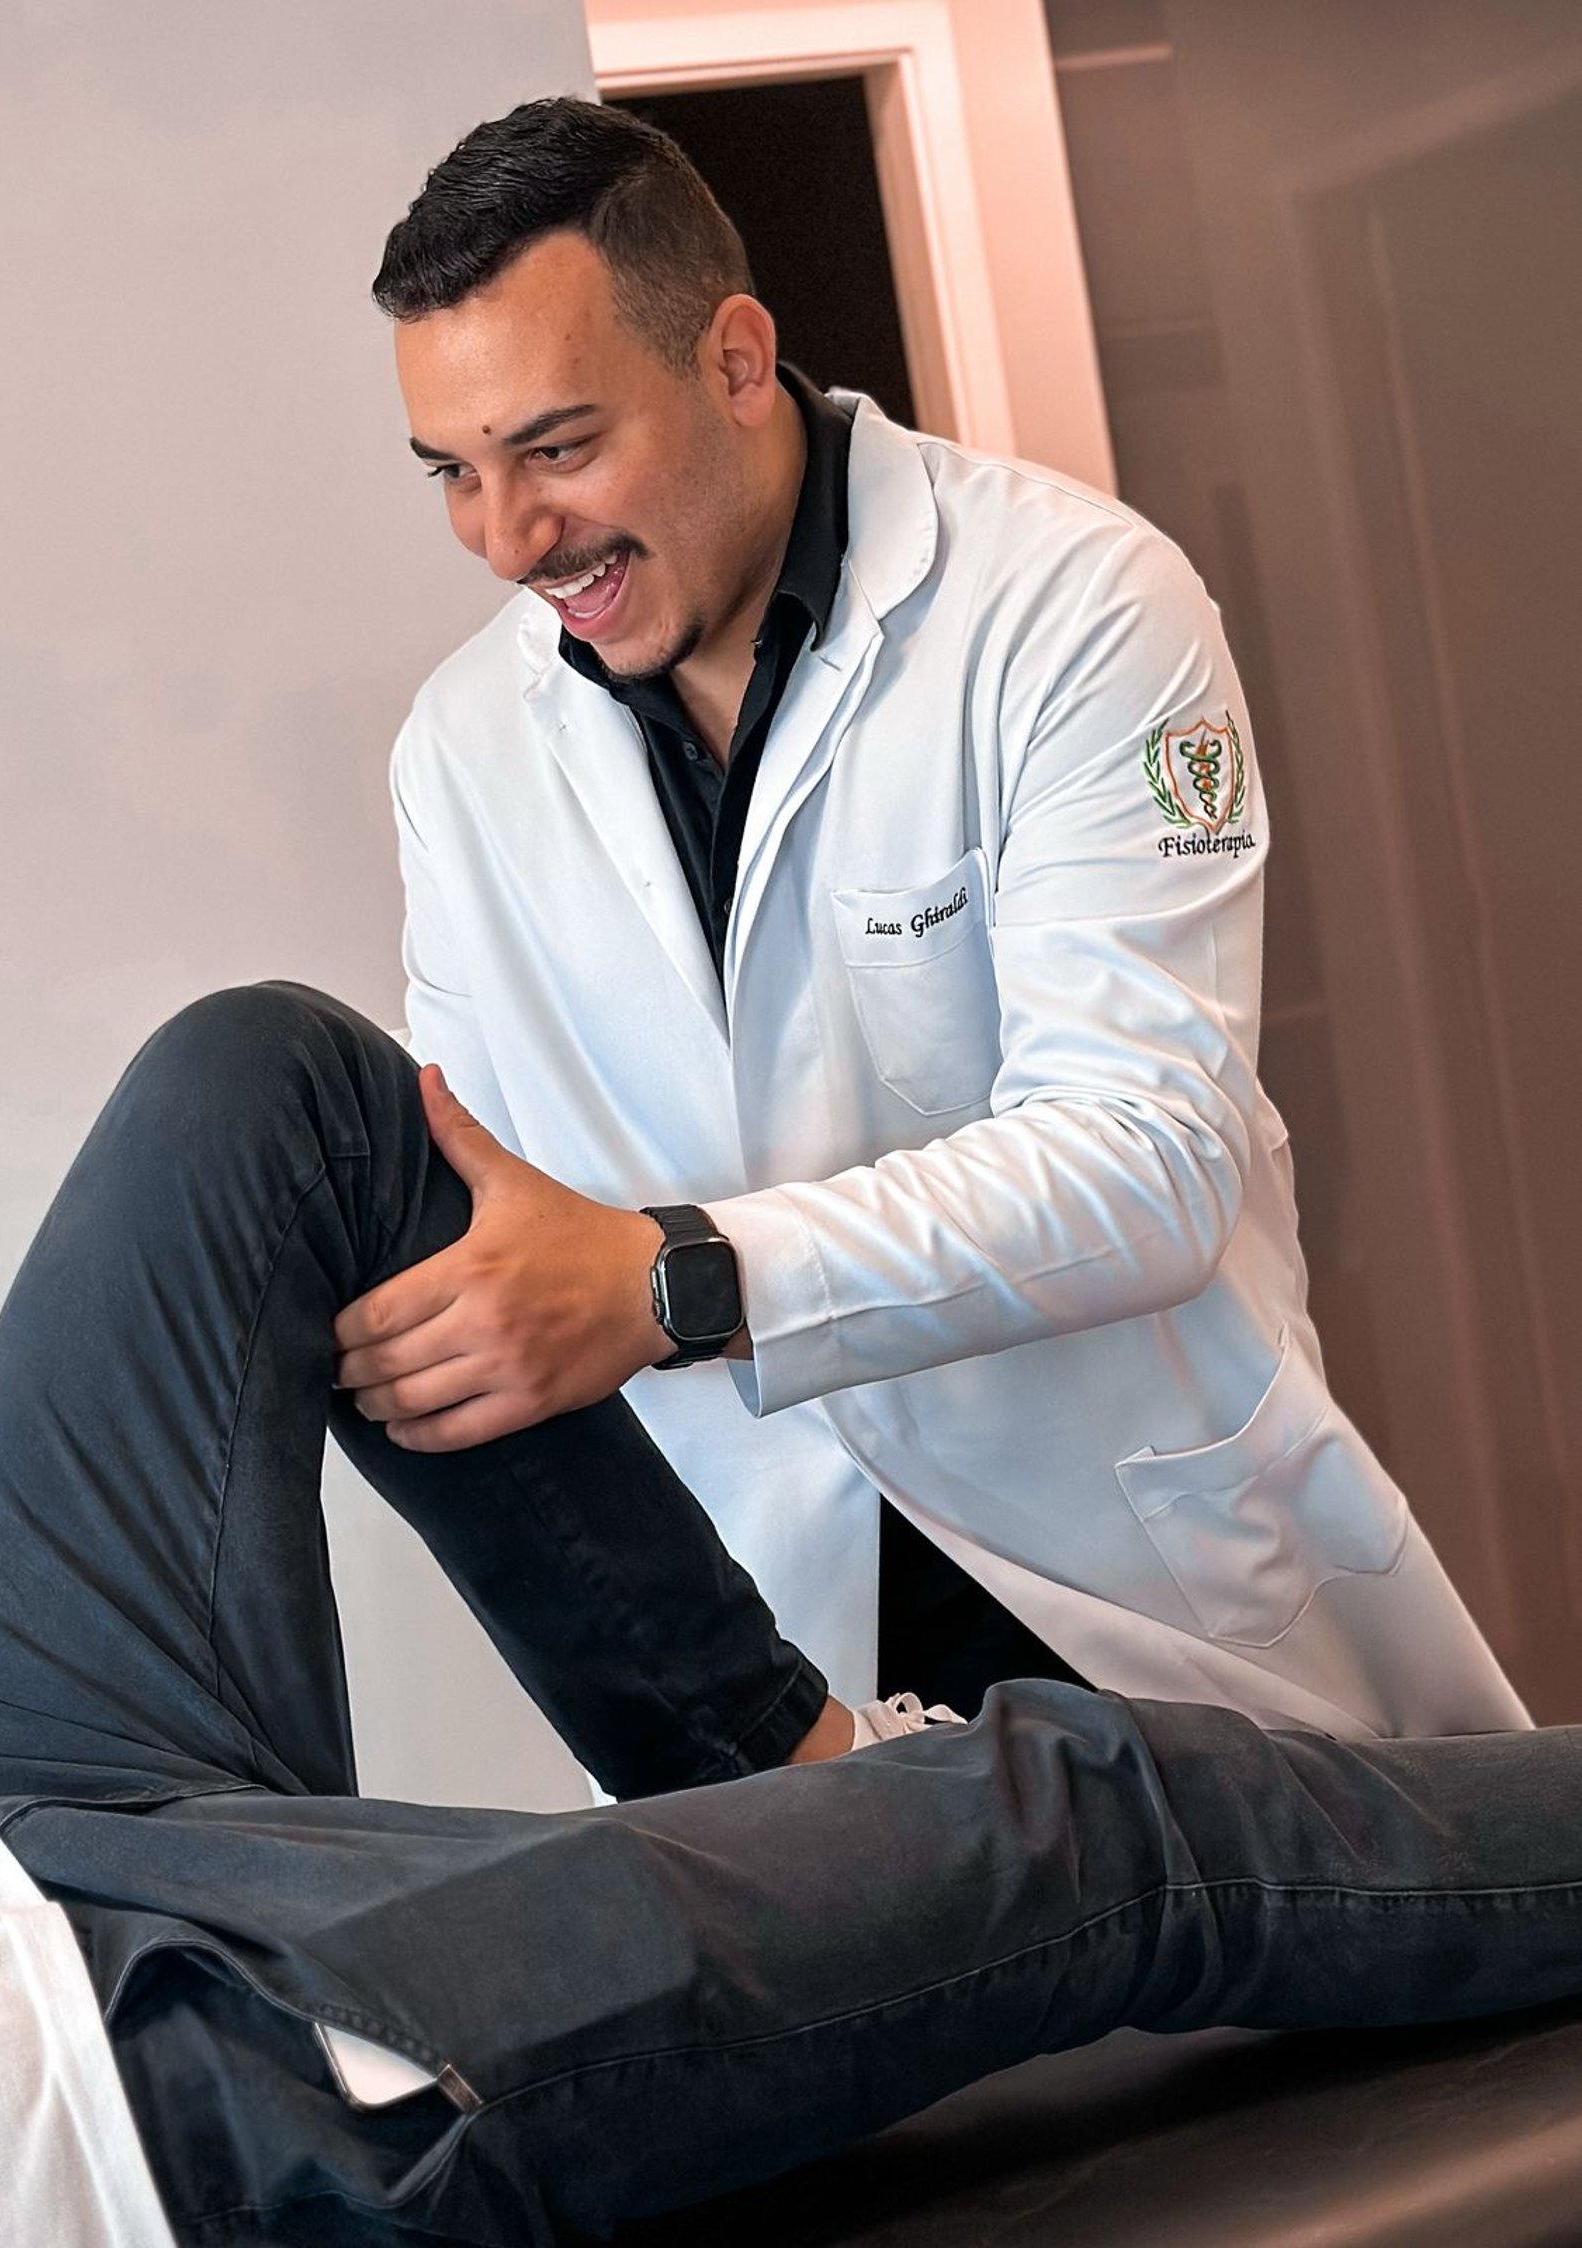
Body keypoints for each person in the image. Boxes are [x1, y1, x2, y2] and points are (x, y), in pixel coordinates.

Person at [0, 984, 1579, 2247]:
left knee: (277, 1097)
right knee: (1090, 1821)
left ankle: (775, 1762)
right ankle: (862, 1837)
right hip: (132, 2107)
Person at [344, 96, 1527, 1738]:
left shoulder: (1076, 609)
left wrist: (684, 1278)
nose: (506, 539)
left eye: (555, 448)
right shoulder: (462, 753)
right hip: (778, 1643)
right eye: (453, 476)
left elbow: (1150, 1155)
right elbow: (506, 1206)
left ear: (737, 359)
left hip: (1131, 1598)